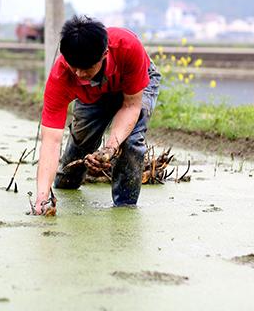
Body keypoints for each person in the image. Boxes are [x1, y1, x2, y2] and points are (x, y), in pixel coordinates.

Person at [34, 15, 161, 214]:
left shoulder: (128, 47)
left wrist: (110, 148)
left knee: (131, 142)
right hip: (91, 94)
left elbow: (130, 106)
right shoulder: (62, 75)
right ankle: (65, 184)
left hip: (134, 86)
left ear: (104, 55)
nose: (79, 74)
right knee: (81, 142)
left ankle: (125, 208)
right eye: (73, 67)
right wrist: (41, 197)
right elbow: (51, 141)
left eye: (86, 68)